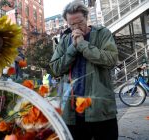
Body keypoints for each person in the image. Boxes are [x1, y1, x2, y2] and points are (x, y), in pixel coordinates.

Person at [49, 1, 119, 140]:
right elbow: (55, 68)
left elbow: (111, 60)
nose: (76, 27)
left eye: (80, 22)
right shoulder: (64, 40)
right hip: (72, 112)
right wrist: (73, 48)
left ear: (87, 18)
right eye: (72, 24)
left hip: (100, 110)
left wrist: (82, 45)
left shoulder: (102, 34)